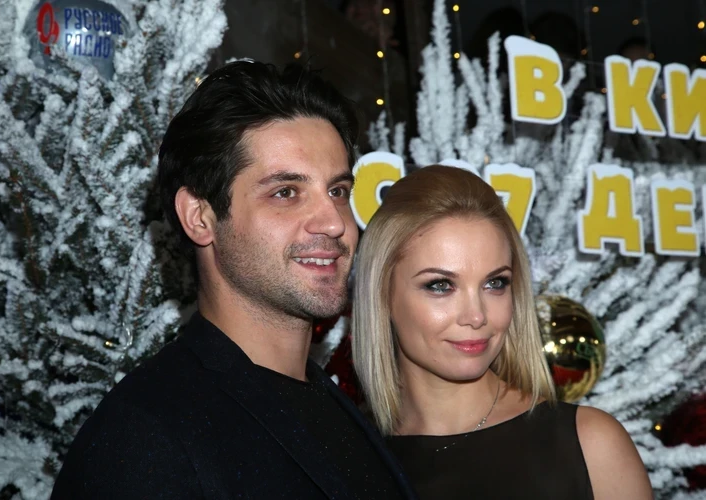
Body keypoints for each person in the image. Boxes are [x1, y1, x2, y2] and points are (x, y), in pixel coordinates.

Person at [51, 61, 416, 499]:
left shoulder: (340, 407)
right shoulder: (143, 438)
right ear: (200, 217)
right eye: (286, 193)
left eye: (337, 191)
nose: (335, 223)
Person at [351, 165, 653, 499]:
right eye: (440, 285)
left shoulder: (590, 444)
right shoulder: (348, 455)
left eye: (495, 283)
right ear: (382, 295)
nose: (476, 316)